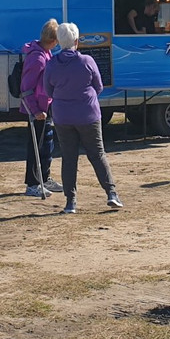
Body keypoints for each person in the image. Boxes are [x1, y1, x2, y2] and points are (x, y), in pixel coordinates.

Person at [43, 22, 122, 213]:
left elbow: (48, 90)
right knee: (97, 154)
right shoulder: (87, 61)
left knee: (69, 158)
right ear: (77, 41)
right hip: (88, 115)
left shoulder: (52, 64)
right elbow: (99, 86)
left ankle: (71, 202)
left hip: (63, 117)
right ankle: (111, 193)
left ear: (59, 41)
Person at [19, 18, 62, 197]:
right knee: (36, 146)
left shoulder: (45, 53)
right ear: (53, 40)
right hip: (36, 111)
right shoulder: (37, 58)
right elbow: (26, 88)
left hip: (46, 107)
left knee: (47, 144)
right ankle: (32, 184)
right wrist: (35, 110)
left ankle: (45, 178)